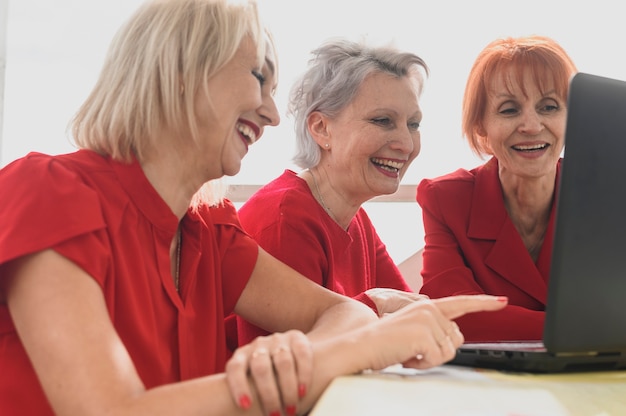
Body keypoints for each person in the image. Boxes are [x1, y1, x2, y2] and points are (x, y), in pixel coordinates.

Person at [0, 0, 508, 415]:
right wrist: (353, 349)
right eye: (256, 77)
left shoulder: (209, 231)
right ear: (182, 72)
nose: (269, 113)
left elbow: (346, 313)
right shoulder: (46, 190)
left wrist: (303, 353)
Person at [234, 38, 430, 347]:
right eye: (383, 120)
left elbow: (411, 316)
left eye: (414, 124)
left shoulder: (355, 218)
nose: (406, 144)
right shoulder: (285, 218)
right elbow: (302, 366)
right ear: (322, 128)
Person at [416, 35, 577, 342]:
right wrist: (582, 331)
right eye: (509, 110)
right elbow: (454, 312)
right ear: (481, 126)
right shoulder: (446, 200)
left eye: (549, 107)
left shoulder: (608, 196)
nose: (531, 125)